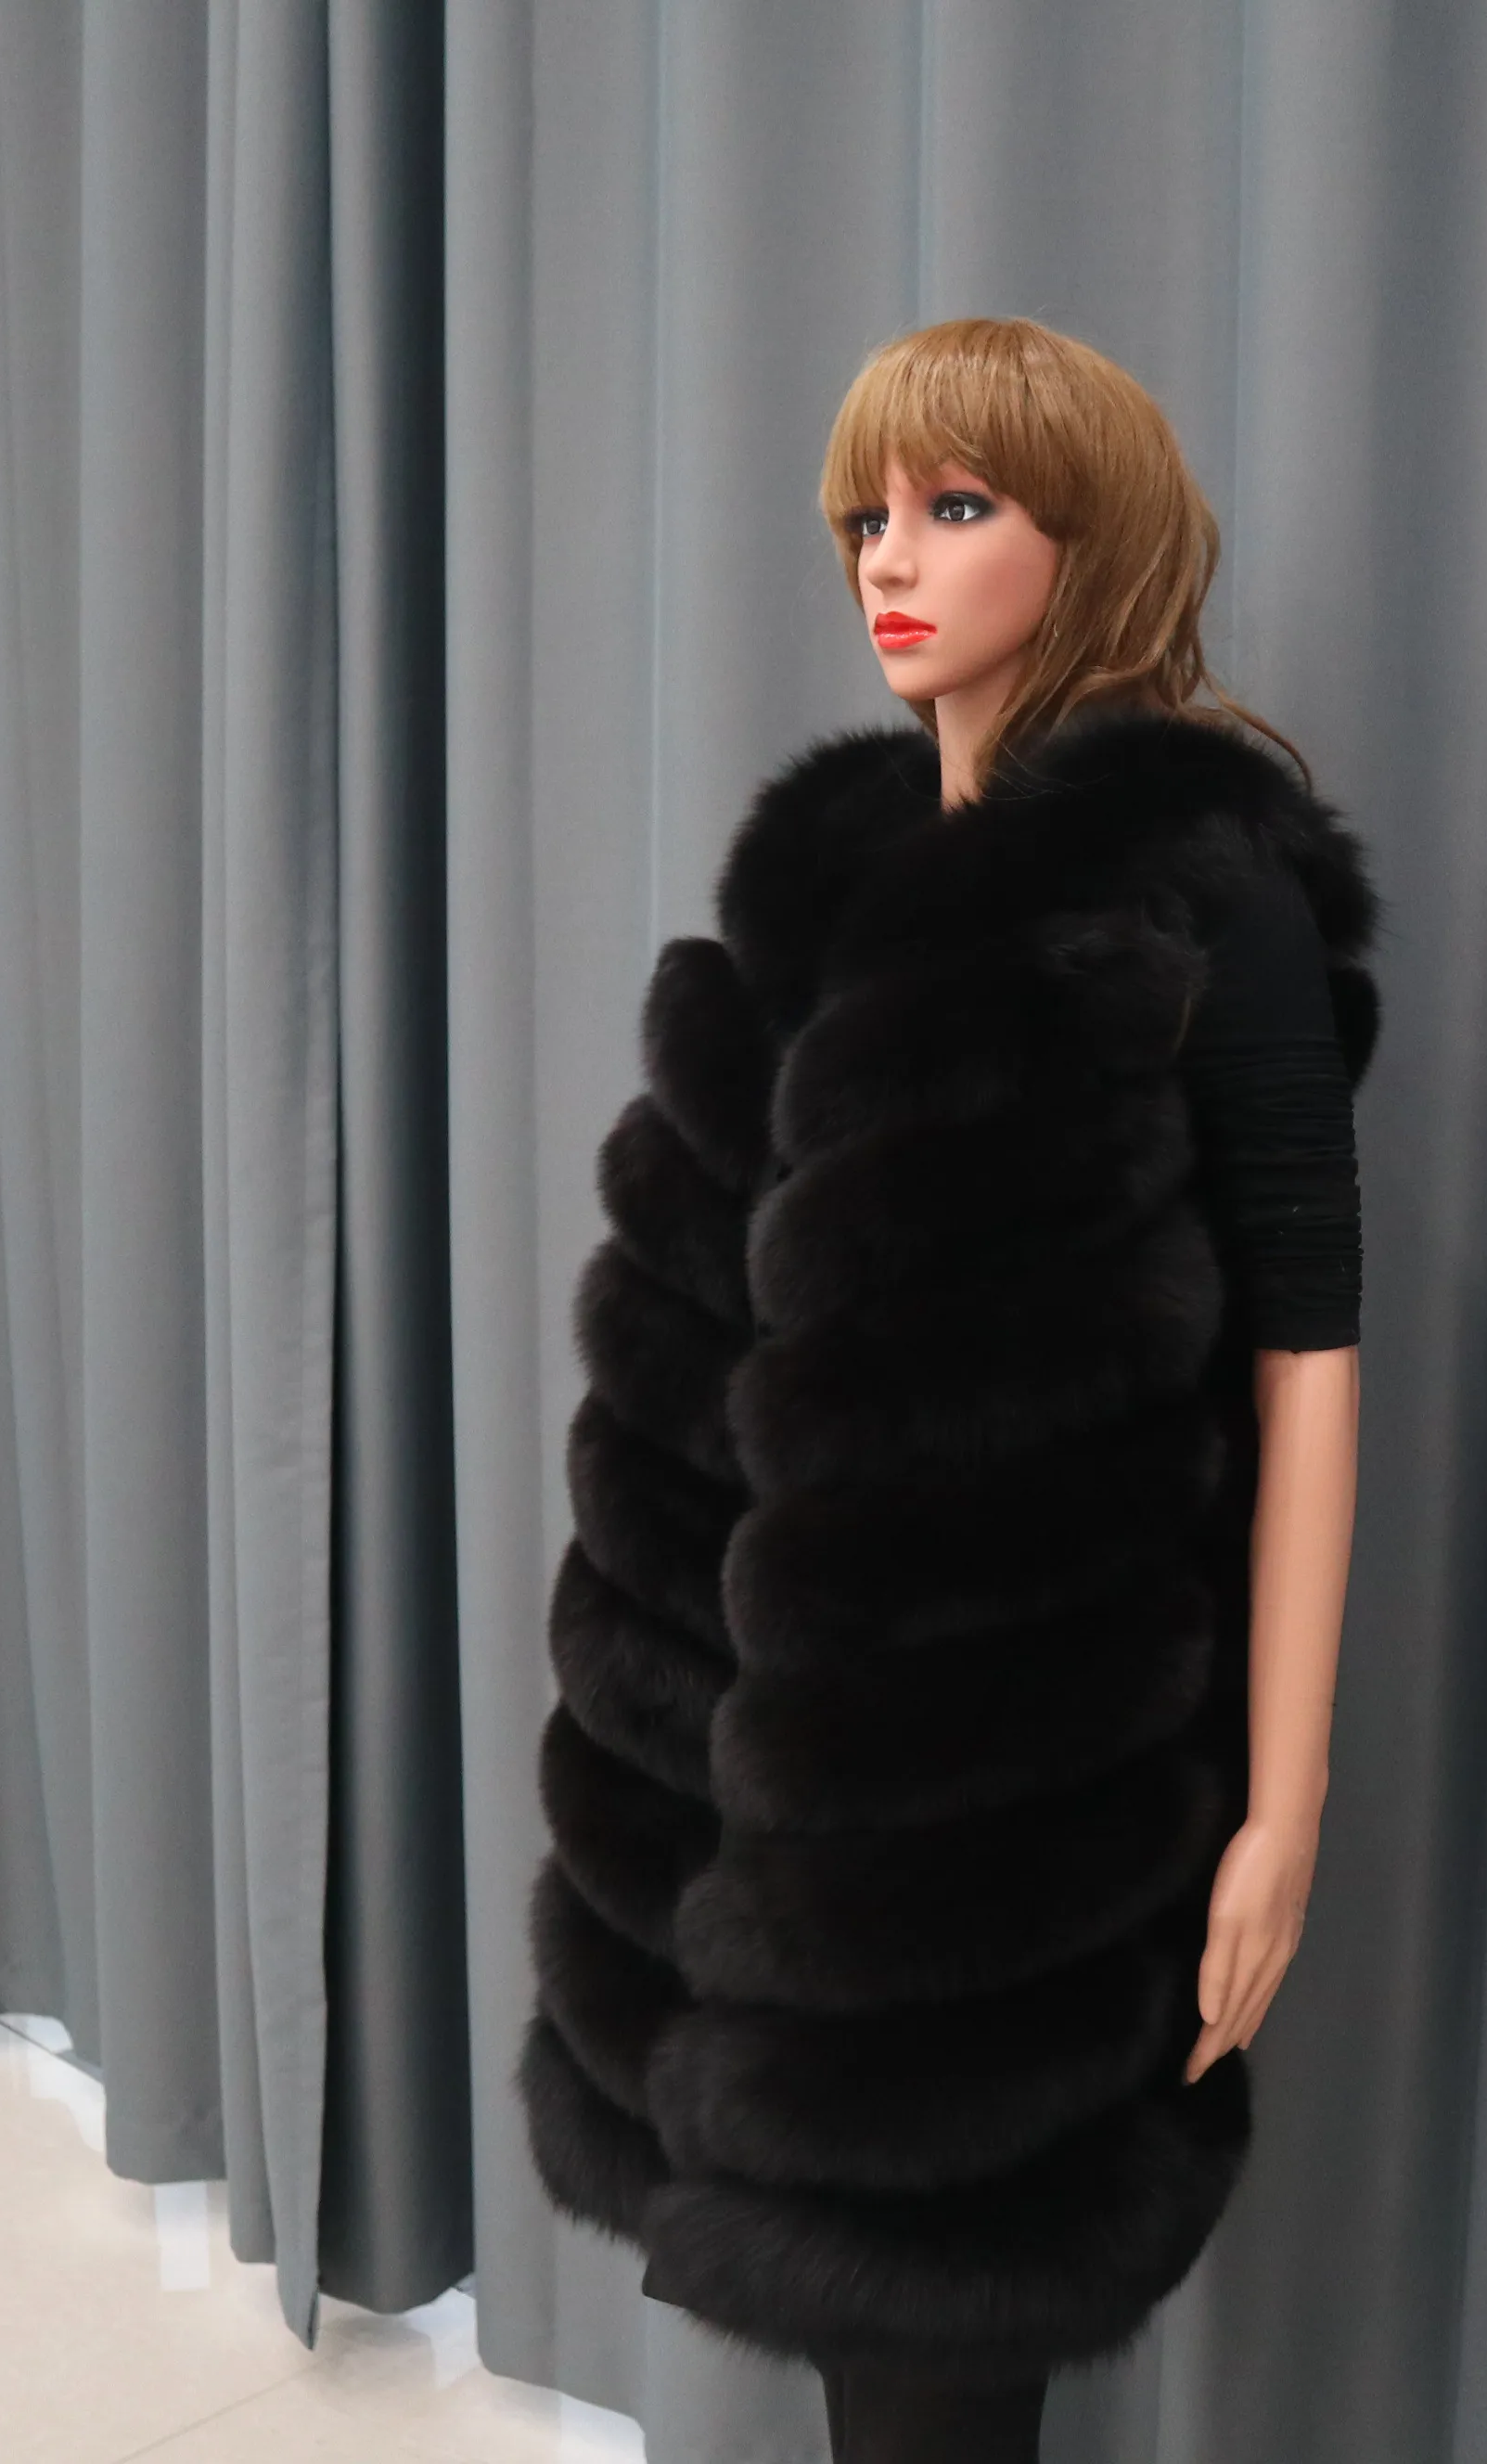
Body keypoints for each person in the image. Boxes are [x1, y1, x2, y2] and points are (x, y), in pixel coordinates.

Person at [518, 315, 1380, 2463]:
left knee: (938, 2348)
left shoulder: (1196, 894)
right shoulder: (826, 886)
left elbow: (1306, 1347)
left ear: (1089, 538)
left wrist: (1279, 1807)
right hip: (745, 1759)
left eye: (956, 505)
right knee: (845, 2322)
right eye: (864, 517)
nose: (888, 559)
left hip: (1019, 1785)